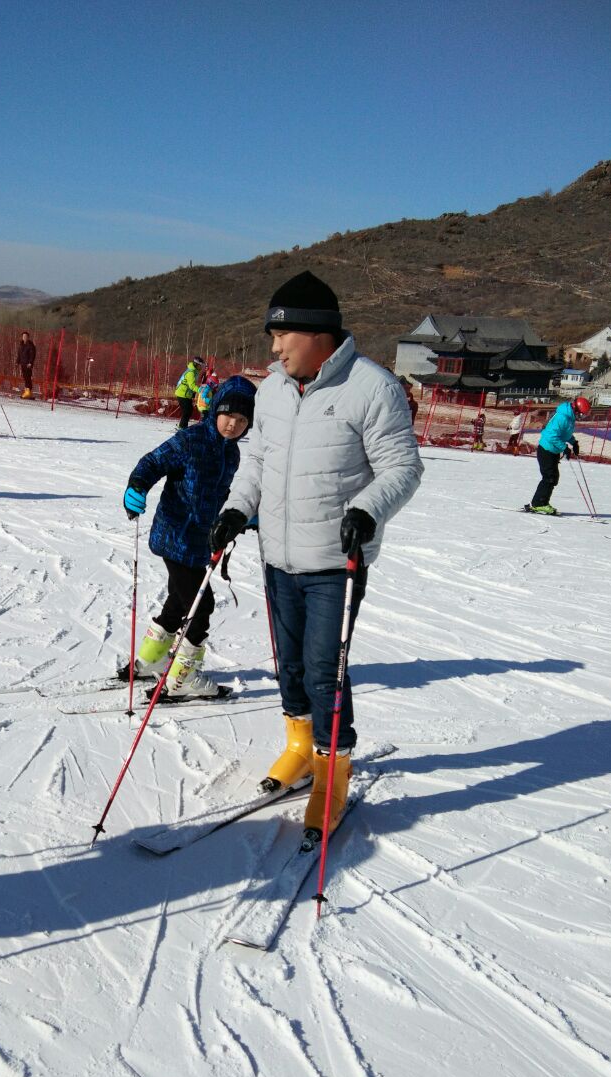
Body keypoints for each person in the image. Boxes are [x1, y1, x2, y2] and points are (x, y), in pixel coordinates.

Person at [210, 271, 423, 839]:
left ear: (317, 335)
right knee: (292, 665)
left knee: (326, 673)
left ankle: (333, 775)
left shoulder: (373, 387)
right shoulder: (273, 390)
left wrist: (367, 508)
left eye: (282, 337)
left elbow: (403, 467)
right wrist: (236, 510)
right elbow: (256, 464)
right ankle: (300, 748)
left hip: (336, 560)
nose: (274, 349)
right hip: (278, 554)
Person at [122, 375, 257, 698]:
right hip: (175, 535)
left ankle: (151, 660)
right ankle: (183, 679)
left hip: (202, 541)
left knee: (178, 601)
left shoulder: (233, 453)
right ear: (215, 412)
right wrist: (136, 487)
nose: (233, 425)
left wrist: (244, 516)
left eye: (242, 420)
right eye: (228, 416)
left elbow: (222, 494)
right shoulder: (191, 439)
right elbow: (151, 462)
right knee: (201, 605)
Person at [526, 395, 589, 515]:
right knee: (549, 477)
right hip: (546, 449)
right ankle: (538, 504)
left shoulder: (569, 417)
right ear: (576, 409)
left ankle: (541, 503)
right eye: (581, 414)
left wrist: (573, 442)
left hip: (553, 451)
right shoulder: (562, 417)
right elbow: (551, 436)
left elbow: (564, 434)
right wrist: (564, 448)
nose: (581, 417)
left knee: (553, 478)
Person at [174, 356, 204, 430]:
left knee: (189, 410)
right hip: (182, 393)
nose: (201, 367)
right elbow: (192, 385)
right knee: (187, 411)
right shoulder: (191, 372)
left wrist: (193, 393)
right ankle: (182, 427)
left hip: (186, 394)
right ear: (197, 365)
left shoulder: (194, 371)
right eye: (201, 365)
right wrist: (200, 390)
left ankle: (183, 426)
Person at [17, 329, 36, 399]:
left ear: (28, 337)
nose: (24, 337)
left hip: (28, 364)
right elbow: (19, 354)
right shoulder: (21, 345)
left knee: (27, 377)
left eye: (26, 336)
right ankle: (29, 392)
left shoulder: (30, 345)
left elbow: (32, 355)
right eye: (23, 336)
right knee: (25, 377)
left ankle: (28, 392)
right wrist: (17, 361)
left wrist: (30, 363)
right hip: (23, 363)